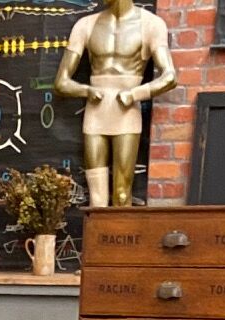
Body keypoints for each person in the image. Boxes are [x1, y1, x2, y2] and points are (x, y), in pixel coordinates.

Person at [54, 0, 177, 209]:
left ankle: (122, 240)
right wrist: (86, 90)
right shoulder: (86, 25)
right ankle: (97, 241)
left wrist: (135, 94)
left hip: (126, 113)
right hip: (96, 113)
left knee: (121, 194)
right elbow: (60, 82)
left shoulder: (151, 24)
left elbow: (170, 77)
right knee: (97, 198)